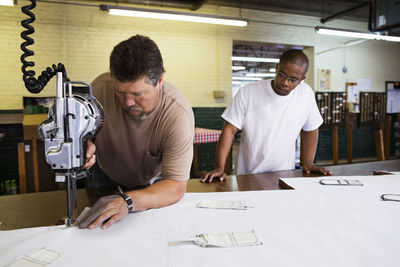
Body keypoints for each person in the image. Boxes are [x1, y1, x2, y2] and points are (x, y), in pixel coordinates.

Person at [79, 35, 194, 229]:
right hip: (104, 177)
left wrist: (128, 201)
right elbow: (83, 134)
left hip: (153, 185)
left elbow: (175, 185)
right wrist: (84, 145)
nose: (127, 103)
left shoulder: (177, 114)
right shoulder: (99, 89)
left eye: (137, 94)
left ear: (160, 81)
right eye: (120, 92)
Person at [201, 49, 331, 182]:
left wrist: (308, 162)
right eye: (281, 75)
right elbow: (229, 129)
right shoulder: (248, 92)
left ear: (302, 79)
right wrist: (219, 167)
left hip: (284, 175)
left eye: (293, 80)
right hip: (247, 176)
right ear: (276, 68)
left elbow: (311, 128)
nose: (285, 82)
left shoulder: (305, 94)